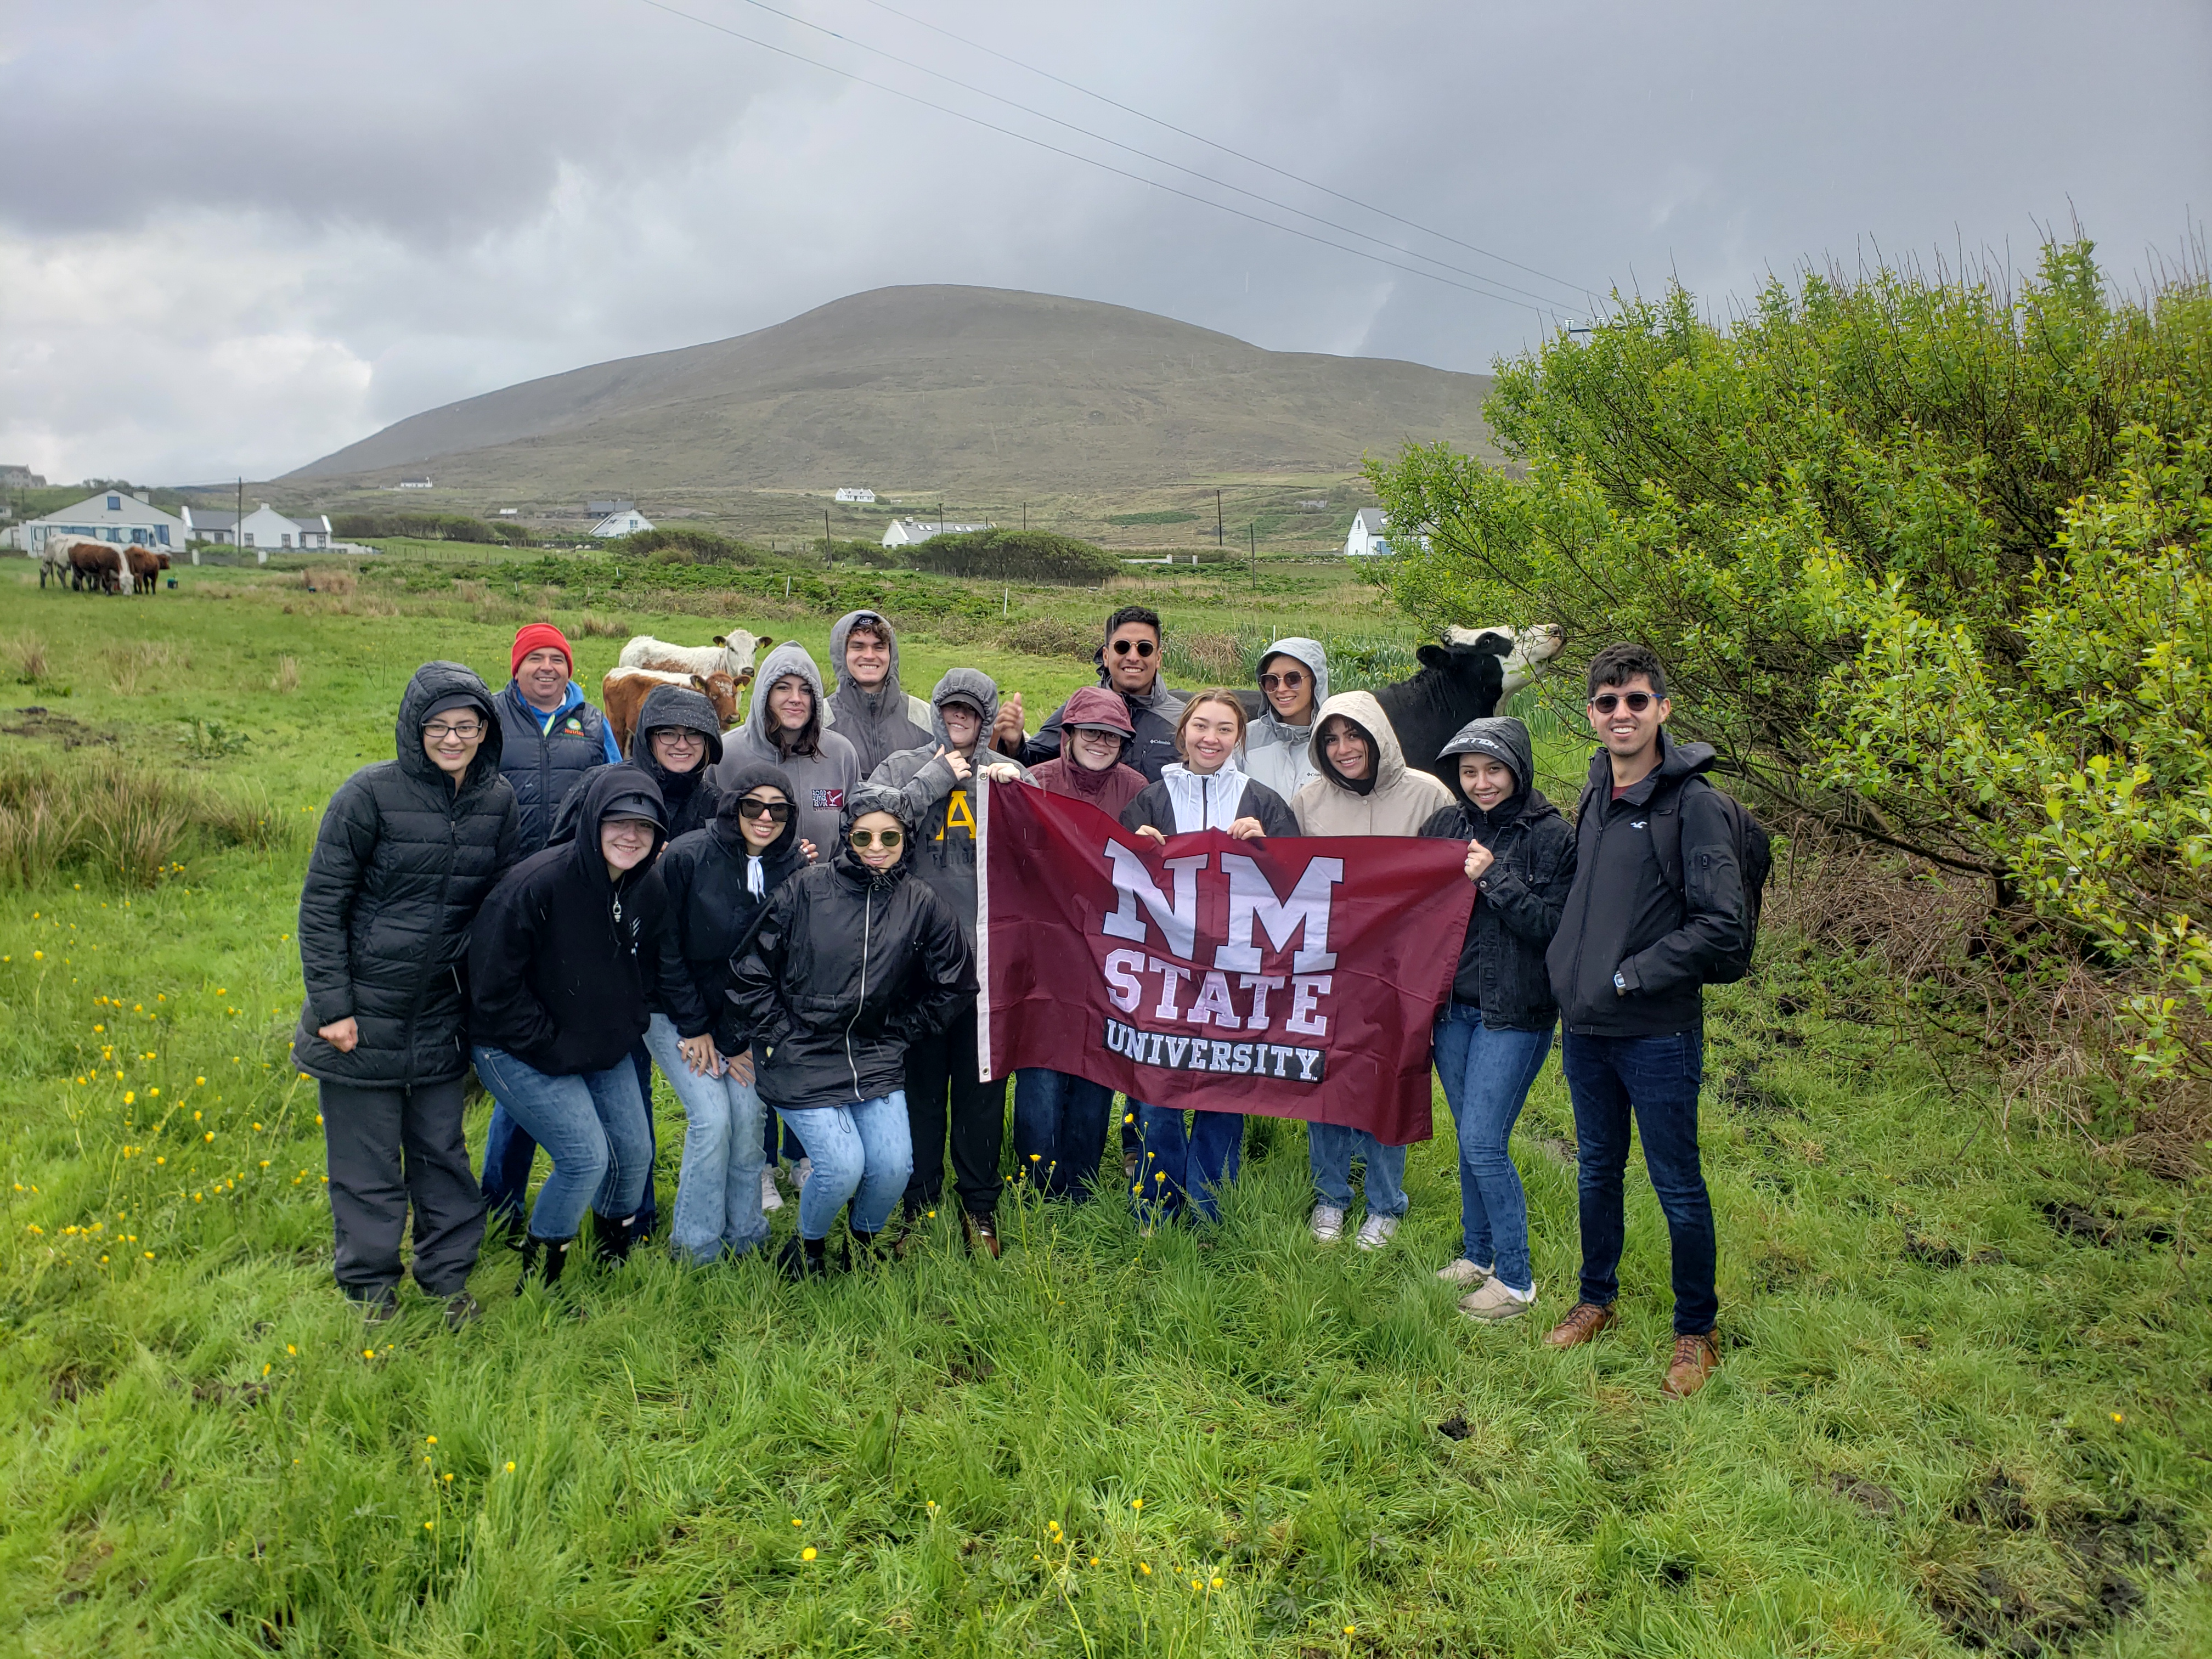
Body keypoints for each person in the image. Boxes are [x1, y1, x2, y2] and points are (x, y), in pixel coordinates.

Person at [1542, 642, 1748, 1399]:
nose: (1621, 714)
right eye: (1607, 702)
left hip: (1657, 1031)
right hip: (1588, 1030)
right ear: (1592, 716)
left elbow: (1722, 925)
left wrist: (1633, 975)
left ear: (1662, 708)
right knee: (1596, 1169)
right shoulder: (1598, 788)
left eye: (1636, 700)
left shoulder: (1692, 804)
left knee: (1676, 1183)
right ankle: (1596, 1298)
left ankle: (1696, 1328)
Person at [295, 662, 518, 1329]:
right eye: (439, 727)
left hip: (443, 1017)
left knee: (441, 1156)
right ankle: (370, 1293)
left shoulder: (497, 801)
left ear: (485, 729)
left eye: (467, 726)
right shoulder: (367, 795)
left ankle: (446, 1282)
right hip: (364, 1013)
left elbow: (499, 907)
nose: (453, 739)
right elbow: (322, 906)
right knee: (365, 1165)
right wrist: (333, 1007)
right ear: (414, 730)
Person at [728, 784, 974, 1278]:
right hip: (801, 1052)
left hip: (875, 1053)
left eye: (890, 837)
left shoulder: (920, 902)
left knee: (891, 1167)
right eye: (863, 838)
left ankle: (861, 1244)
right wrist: (779, 1031)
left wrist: (902, 1030)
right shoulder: (806, 888)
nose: (877, 849)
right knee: (841, 1167)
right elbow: (749, 968)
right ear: (847, 836)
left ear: (907, 839)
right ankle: (808, 1248)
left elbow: (957, 982)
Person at [467, 766, 670, 1288]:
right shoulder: (536, 885)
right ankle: (542, 1279)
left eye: (645, 827)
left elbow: (645, 971)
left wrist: (630, 1022)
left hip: (599, 1043)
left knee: (635, 1152)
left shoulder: (646, 889)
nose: (631, 836)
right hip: (515, 1045)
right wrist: (552, 1047)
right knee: (585, 1158)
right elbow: (492, 991)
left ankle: (611, 1257)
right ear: (591, 821)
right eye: (618, 822)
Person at [1119, 691, 1298, 1224]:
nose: (1211, 738)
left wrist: (1269, 848)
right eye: (1201, 726)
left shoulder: (1263, 802)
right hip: (1163, 970)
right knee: (1158, 1086)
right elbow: (1114, 884)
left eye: (1224, 729)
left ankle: (1210, 1206)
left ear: (1238, 738)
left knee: (1224, 1085)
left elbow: (1296, 888)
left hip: (1236, 971)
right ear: (1183, 734)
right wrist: (1135, 848)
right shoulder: (1151, 800)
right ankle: (1155, 1202)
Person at [1418, 716, 1576, 1322]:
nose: (1481, 783)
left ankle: (1515, 1279)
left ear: (1517, 768)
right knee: (1468, 1136)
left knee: (1484, 1142)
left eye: (1493, 770)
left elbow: (1556, 930)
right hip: (1452, 1009)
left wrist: (1493, 879)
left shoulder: (1555, 838)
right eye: (1469, 772)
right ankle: (1477, 1252)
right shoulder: (1444, 825)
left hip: (1516, 1011)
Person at [870, 669, 1030, 1257]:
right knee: (920, 1090)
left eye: (971, 709)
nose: (959, 717)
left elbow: (1042, 856)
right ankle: (920, 1204)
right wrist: (934, 776)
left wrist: (1021, 791)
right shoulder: (900, 767)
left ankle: (980, 1206)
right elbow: (869, 826)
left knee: (982, 1091)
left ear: (987, 715)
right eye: (949, 708)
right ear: (935, 710)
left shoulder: (1007, 775)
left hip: (987, 971)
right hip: (915, 968)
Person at [1289, 689, 1452, 1249]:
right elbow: (1288, 880)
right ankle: (1331, 1196)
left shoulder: (1427, 796)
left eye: (1354, 735)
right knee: (1325, 1081)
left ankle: (1386, 1203)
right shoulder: (1308, 801)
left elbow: (1449, 880)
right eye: (1331, 738)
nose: (1343, 748)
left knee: (1388, 1081)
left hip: (1400, 970)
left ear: (1377, 735)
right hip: (1327, 967)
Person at [482, 623, 623, 1238]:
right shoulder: (489, 719)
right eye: (534, 658)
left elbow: (618, 790)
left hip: (573, 904)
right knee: (522, 1053)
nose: (546, 668)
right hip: (505, 897)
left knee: (558, 1041)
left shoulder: (592, 724)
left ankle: (594, 1187)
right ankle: (500, 1199)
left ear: (570, 668)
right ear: (516, 667)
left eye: (556, 659)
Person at [646, 764, 807, 1265]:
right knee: (712, 1119)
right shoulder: (688, 856)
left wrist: (736, 1037)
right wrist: (698, 1029)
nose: (764, 817)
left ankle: (746, 1232)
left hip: (741, 1023)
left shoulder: (793, 870)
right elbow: (664, 949)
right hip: (674, 1011)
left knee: (748, 1114)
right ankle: (695, 1246)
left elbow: (776, 964)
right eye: (752, 805)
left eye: (778, 809)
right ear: (732, 805)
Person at [1010, 686, 1148, 1200]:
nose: (1099, 742)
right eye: (1089, 731)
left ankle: (1083, 1178)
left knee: (1097, 1062)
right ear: (1065, 736)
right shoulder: (1035, 782)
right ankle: (1038, 1180)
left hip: (1110, 951)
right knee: (1042, 1064)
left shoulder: (1137, 790)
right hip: (1043, 949)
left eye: (1111, 735)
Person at [707, 640, 859, 863]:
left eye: (806, 690)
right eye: (783, 687)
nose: (796, 699)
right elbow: (709, 839)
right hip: (746, 893)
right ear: (764, 694)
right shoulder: (725, 754)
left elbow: (858, 834)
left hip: (826, 893)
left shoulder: (841, 754)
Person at [1007, 606, 1187, 782]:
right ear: (1106, 655)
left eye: (1144, 648)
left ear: (1158, 658)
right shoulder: (1080, 709)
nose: (1133, 657)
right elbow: (1030, 768)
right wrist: (1013, 743)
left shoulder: (1183, 720)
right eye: (1122, 647)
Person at [826, 609, 933, 775]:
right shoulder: (818, 722)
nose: (869, 655)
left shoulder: (927, 719)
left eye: (879, 647)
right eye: (858, 647)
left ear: (892, 654)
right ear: (841, 654)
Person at [1238, 636, 1328, 800]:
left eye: (1293, 679)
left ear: (1315, 681)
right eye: (1271, 681)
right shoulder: (1246, 739)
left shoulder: (1336, 740)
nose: (1281, 689)